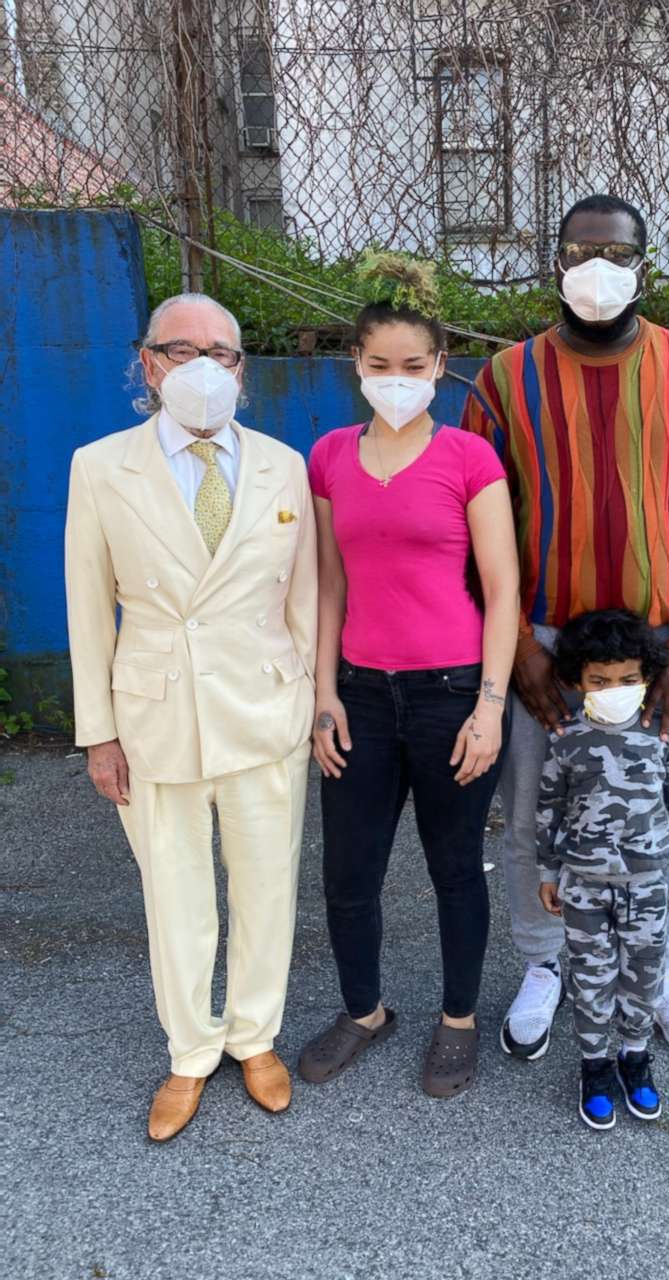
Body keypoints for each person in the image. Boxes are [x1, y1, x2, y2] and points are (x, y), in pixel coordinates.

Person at [462, 193, 669, 1064]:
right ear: (555, 262)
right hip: (545, 647)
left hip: (660, 651)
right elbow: (473, 520)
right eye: (583, 250)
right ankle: (547, 963)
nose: (601, 268)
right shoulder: (504, 379)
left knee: (664, 812)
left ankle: (657, 969)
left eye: (618, 254)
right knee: (530, 815)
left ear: (643, 267)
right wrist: (515, 649)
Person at [65, 293, 318, 1141]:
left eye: (224, 353)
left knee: (265, 885)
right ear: (148, 363)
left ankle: (255, 1035)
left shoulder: (285, 465)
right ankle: (189, 1051)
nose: (204, 367)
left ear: (243, 370)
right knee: (173, 894)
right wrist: (97, 731)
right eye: (182, 350)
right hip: (155, 716)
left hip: (262, 705)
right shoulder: (101, 467)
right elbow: (87, 610)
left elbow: (305, 600)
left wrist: (315, 703)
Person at [297, 253, 519, 1099]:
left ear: (440, 367)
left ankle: (457, 1021)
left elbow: (503, 594)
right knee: (348, 871)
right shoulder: (328, 458)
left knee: (454, 867)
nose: (396, 381)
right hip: (359, 695)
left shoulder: (469, 458)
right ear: (356, 365)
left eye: (414, 367)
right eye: (379, 366)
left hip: (453, 693)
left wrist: (491, 707)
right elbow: (329, 585)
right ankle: (364, 1010)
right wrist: (323, 696)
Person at [536, 610, 669, 1129]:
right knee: (590, 979)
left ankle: (634, 1056)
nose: (614, 688)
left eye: (628, 679)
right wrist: (547, 872)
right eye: (599, 681)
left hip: (650, 884)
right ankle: (594, 1066)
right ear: (577, 682)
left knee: (645, 976)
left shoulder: (661, 732)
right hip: (583, 885)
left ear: (646, 677)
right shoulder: (566, 737)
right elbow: (549, 807)